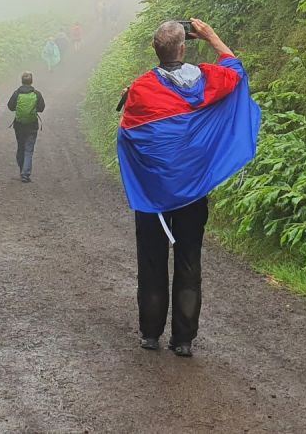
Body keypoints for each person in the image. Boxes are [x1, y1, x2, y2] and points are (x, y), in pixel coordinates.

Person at [115, 18, 259, 358]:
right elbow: (236, 71)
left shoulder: (141, 89)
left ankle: (150, 334)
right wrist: (211, 36)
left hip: (153, 194)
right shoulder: (206, 80)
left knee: (151, 260)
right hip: (193, 192)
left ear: (155, 50)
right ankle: (183, 339)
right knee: (189, 260)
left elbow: (129, 135)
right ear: (183, 47)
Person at [6, 72, 46, 183]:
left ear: (22, 81)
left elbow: (10, 107)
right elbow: (41, 108)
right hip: (32, 125)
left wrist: (19, 108)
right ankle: (26, 174)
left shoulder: (16, 93)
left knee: (21, 147)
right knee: (29, 150)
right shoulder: (37, 94)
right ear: (31, 81)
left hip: (19, 125)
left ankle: (21, 170)